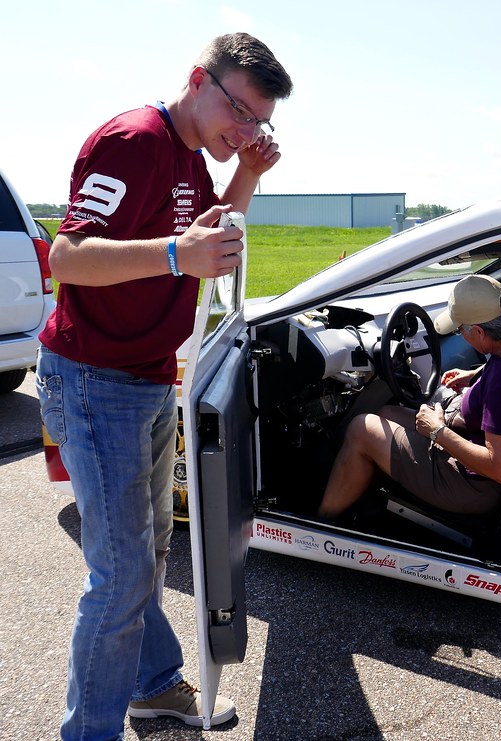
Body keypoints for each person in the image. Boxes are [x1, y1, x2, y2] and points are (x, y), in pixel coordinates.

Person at [35, 33, 292, 740]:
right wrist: (179, 252)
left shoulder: (188, 156)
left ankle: (151, 687)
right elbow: (68, 256)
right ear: (196, 80)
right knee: (119, 578)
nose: (241, 129)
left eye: (256, 122)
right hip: (94, 380)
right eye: (237, 110)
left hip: (147, 377)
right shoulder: (136, 140)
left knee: (143, 558)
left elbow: (210, 238)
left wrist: (244, 172)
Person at [318, 275, 501, 518]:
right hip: (473, 443)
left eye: (460, 331)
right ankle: (364, 498)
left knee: (361, 429)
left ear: (479, 332)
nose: (461, 334)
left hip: (473, 486)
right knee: (385, 414)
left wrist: (437, 431)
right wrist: (476, 374)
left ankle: (322, 523)